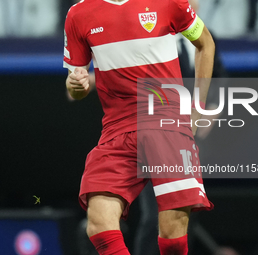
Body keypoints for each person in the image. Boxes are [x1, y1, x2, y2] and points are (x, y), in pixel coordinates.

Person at [63, 0, 215, 254]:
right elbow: (75, 83)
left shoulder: (169, 2)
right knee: (99, 223)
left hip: (165, 121)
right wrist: (75, 85)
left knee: (173, 236)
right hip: (116, 128)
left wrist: (197, 106)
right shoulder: (78, 14)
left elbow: (205, 44)